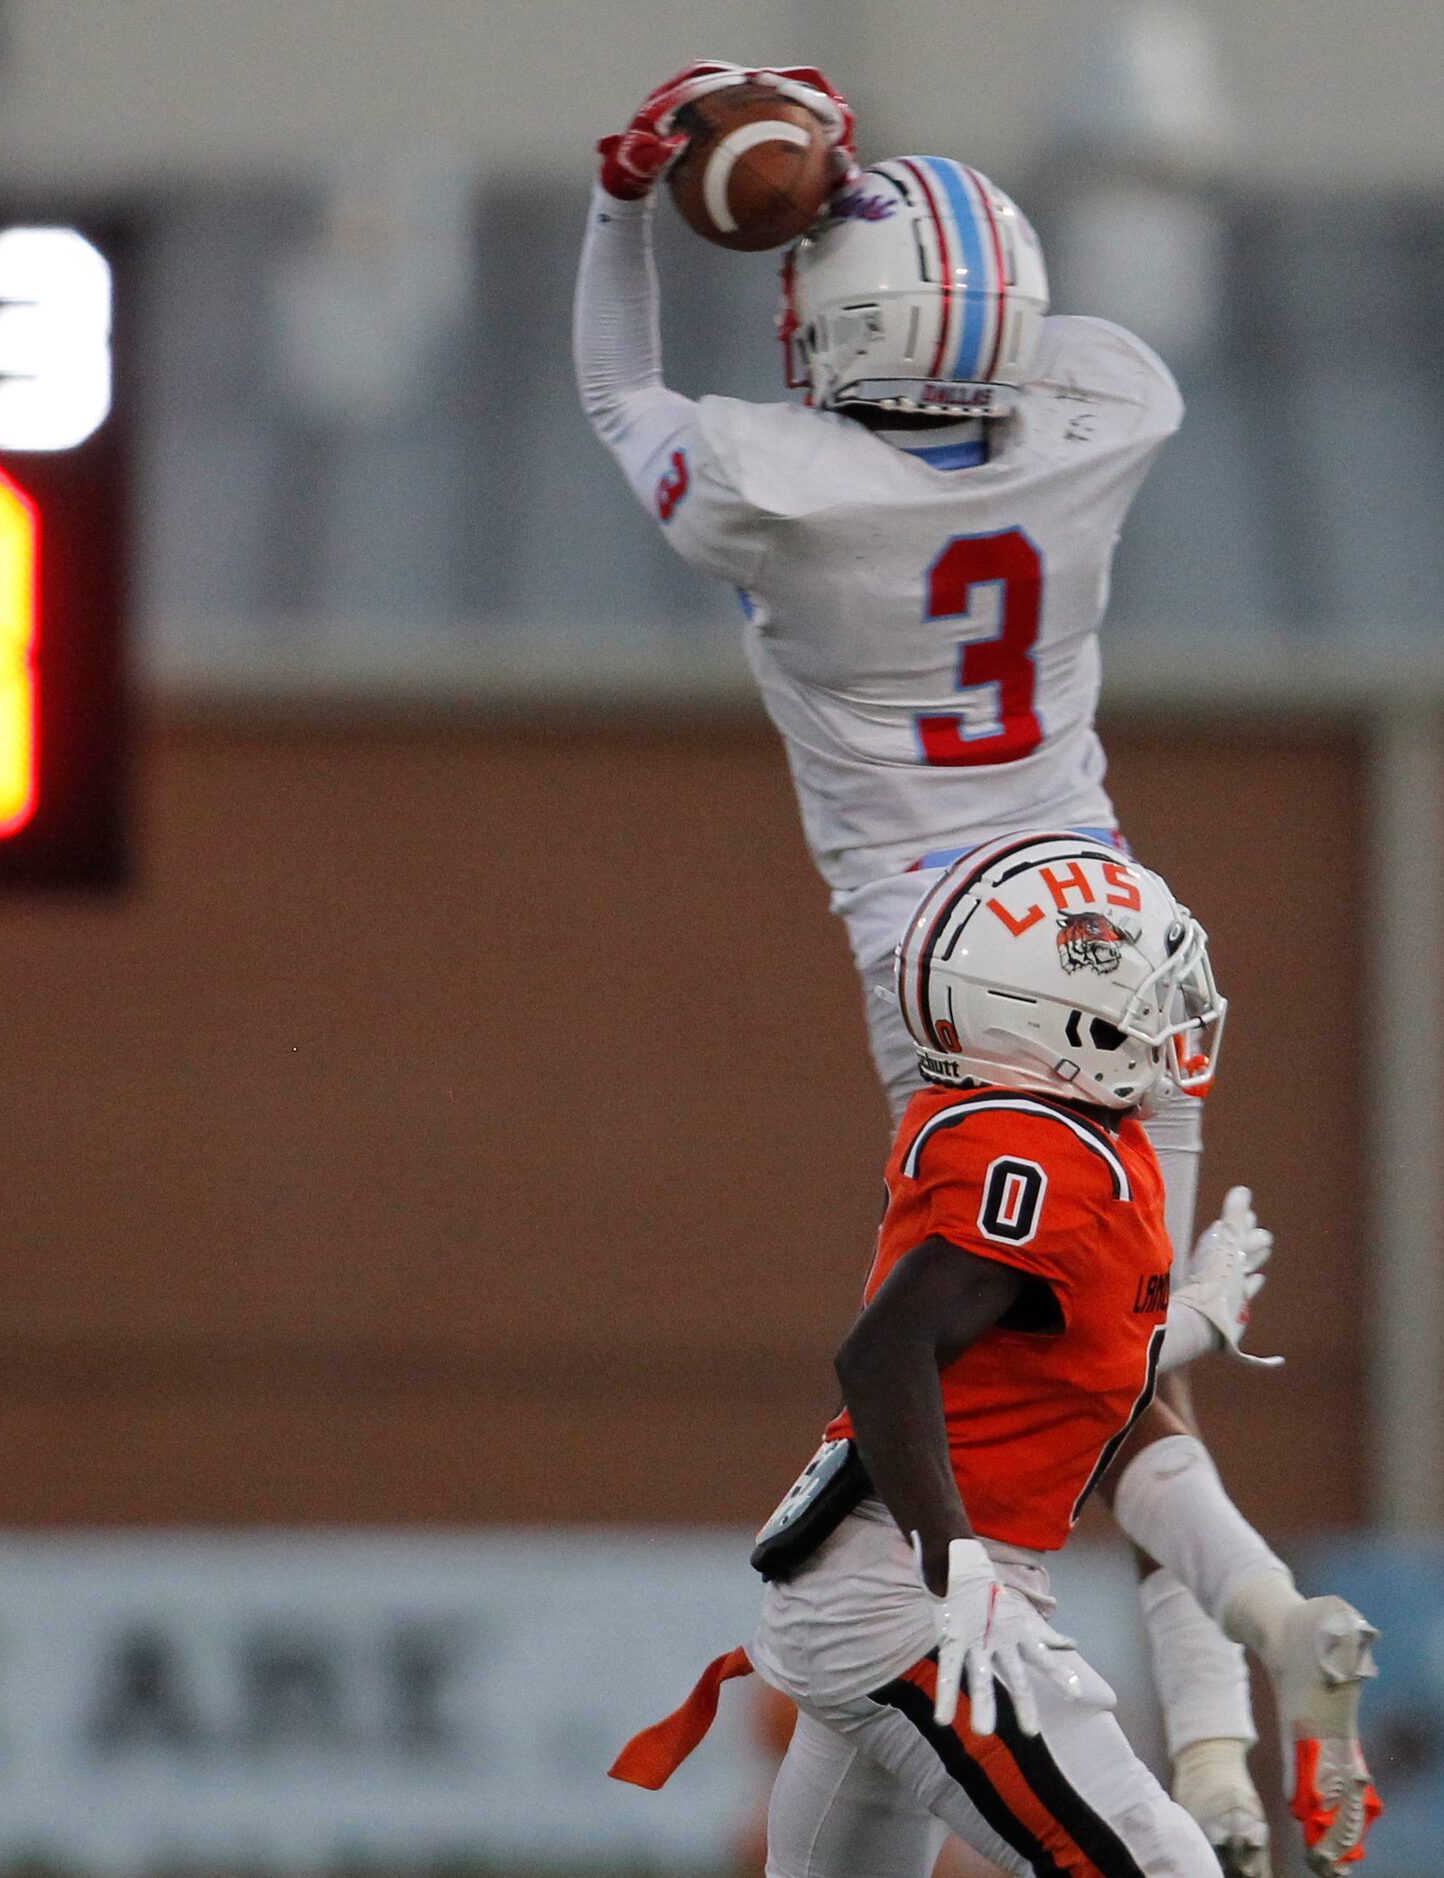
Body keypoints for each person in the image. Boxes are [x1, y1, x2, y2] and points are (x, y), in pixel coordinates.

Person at [576, 61, 1346, 1873]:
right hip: (1116, 913)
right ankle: (1230, 1713)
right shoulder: (1106, 410)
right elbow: (1012, 331)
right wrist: (884, 204)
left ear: (837, 333)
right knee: (1126, 1353)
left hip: (951, 955)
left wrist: (624, 201)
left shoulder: (779, 490)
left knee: (1016, 1371)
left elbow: (617, 382)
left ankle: (1181, 1733)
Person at [607, 834, 1381, 1877]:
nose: (1174, 1011)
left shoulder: (1079, 1142)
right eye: (1147, 989)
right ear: (1058, 1022)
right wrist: (955, 1563)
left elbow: (1071, 1372)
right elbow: (883, 1357)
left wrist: (1194, 1316)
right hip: (920, 1599)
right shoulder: (1036, 1155)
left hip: (878, 1590)